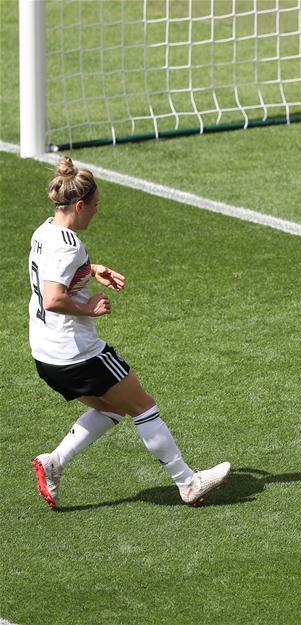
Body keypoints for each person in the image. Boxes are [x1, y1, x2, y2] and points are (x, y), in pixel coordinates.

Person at [28, 156, 231, 509]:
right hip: (77, 353)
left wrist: (91, 270)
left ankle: (54, 462)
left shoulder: (44, 231)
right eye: (95, 205)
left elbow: (55, 273)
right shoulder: (68, 244)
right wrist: (89, 308)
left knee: (111, 408)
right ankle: (188, 482)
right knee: (142, 406)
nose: (97, 211)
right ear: (79, 205)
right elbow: (53, 298)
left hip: (46, 355)